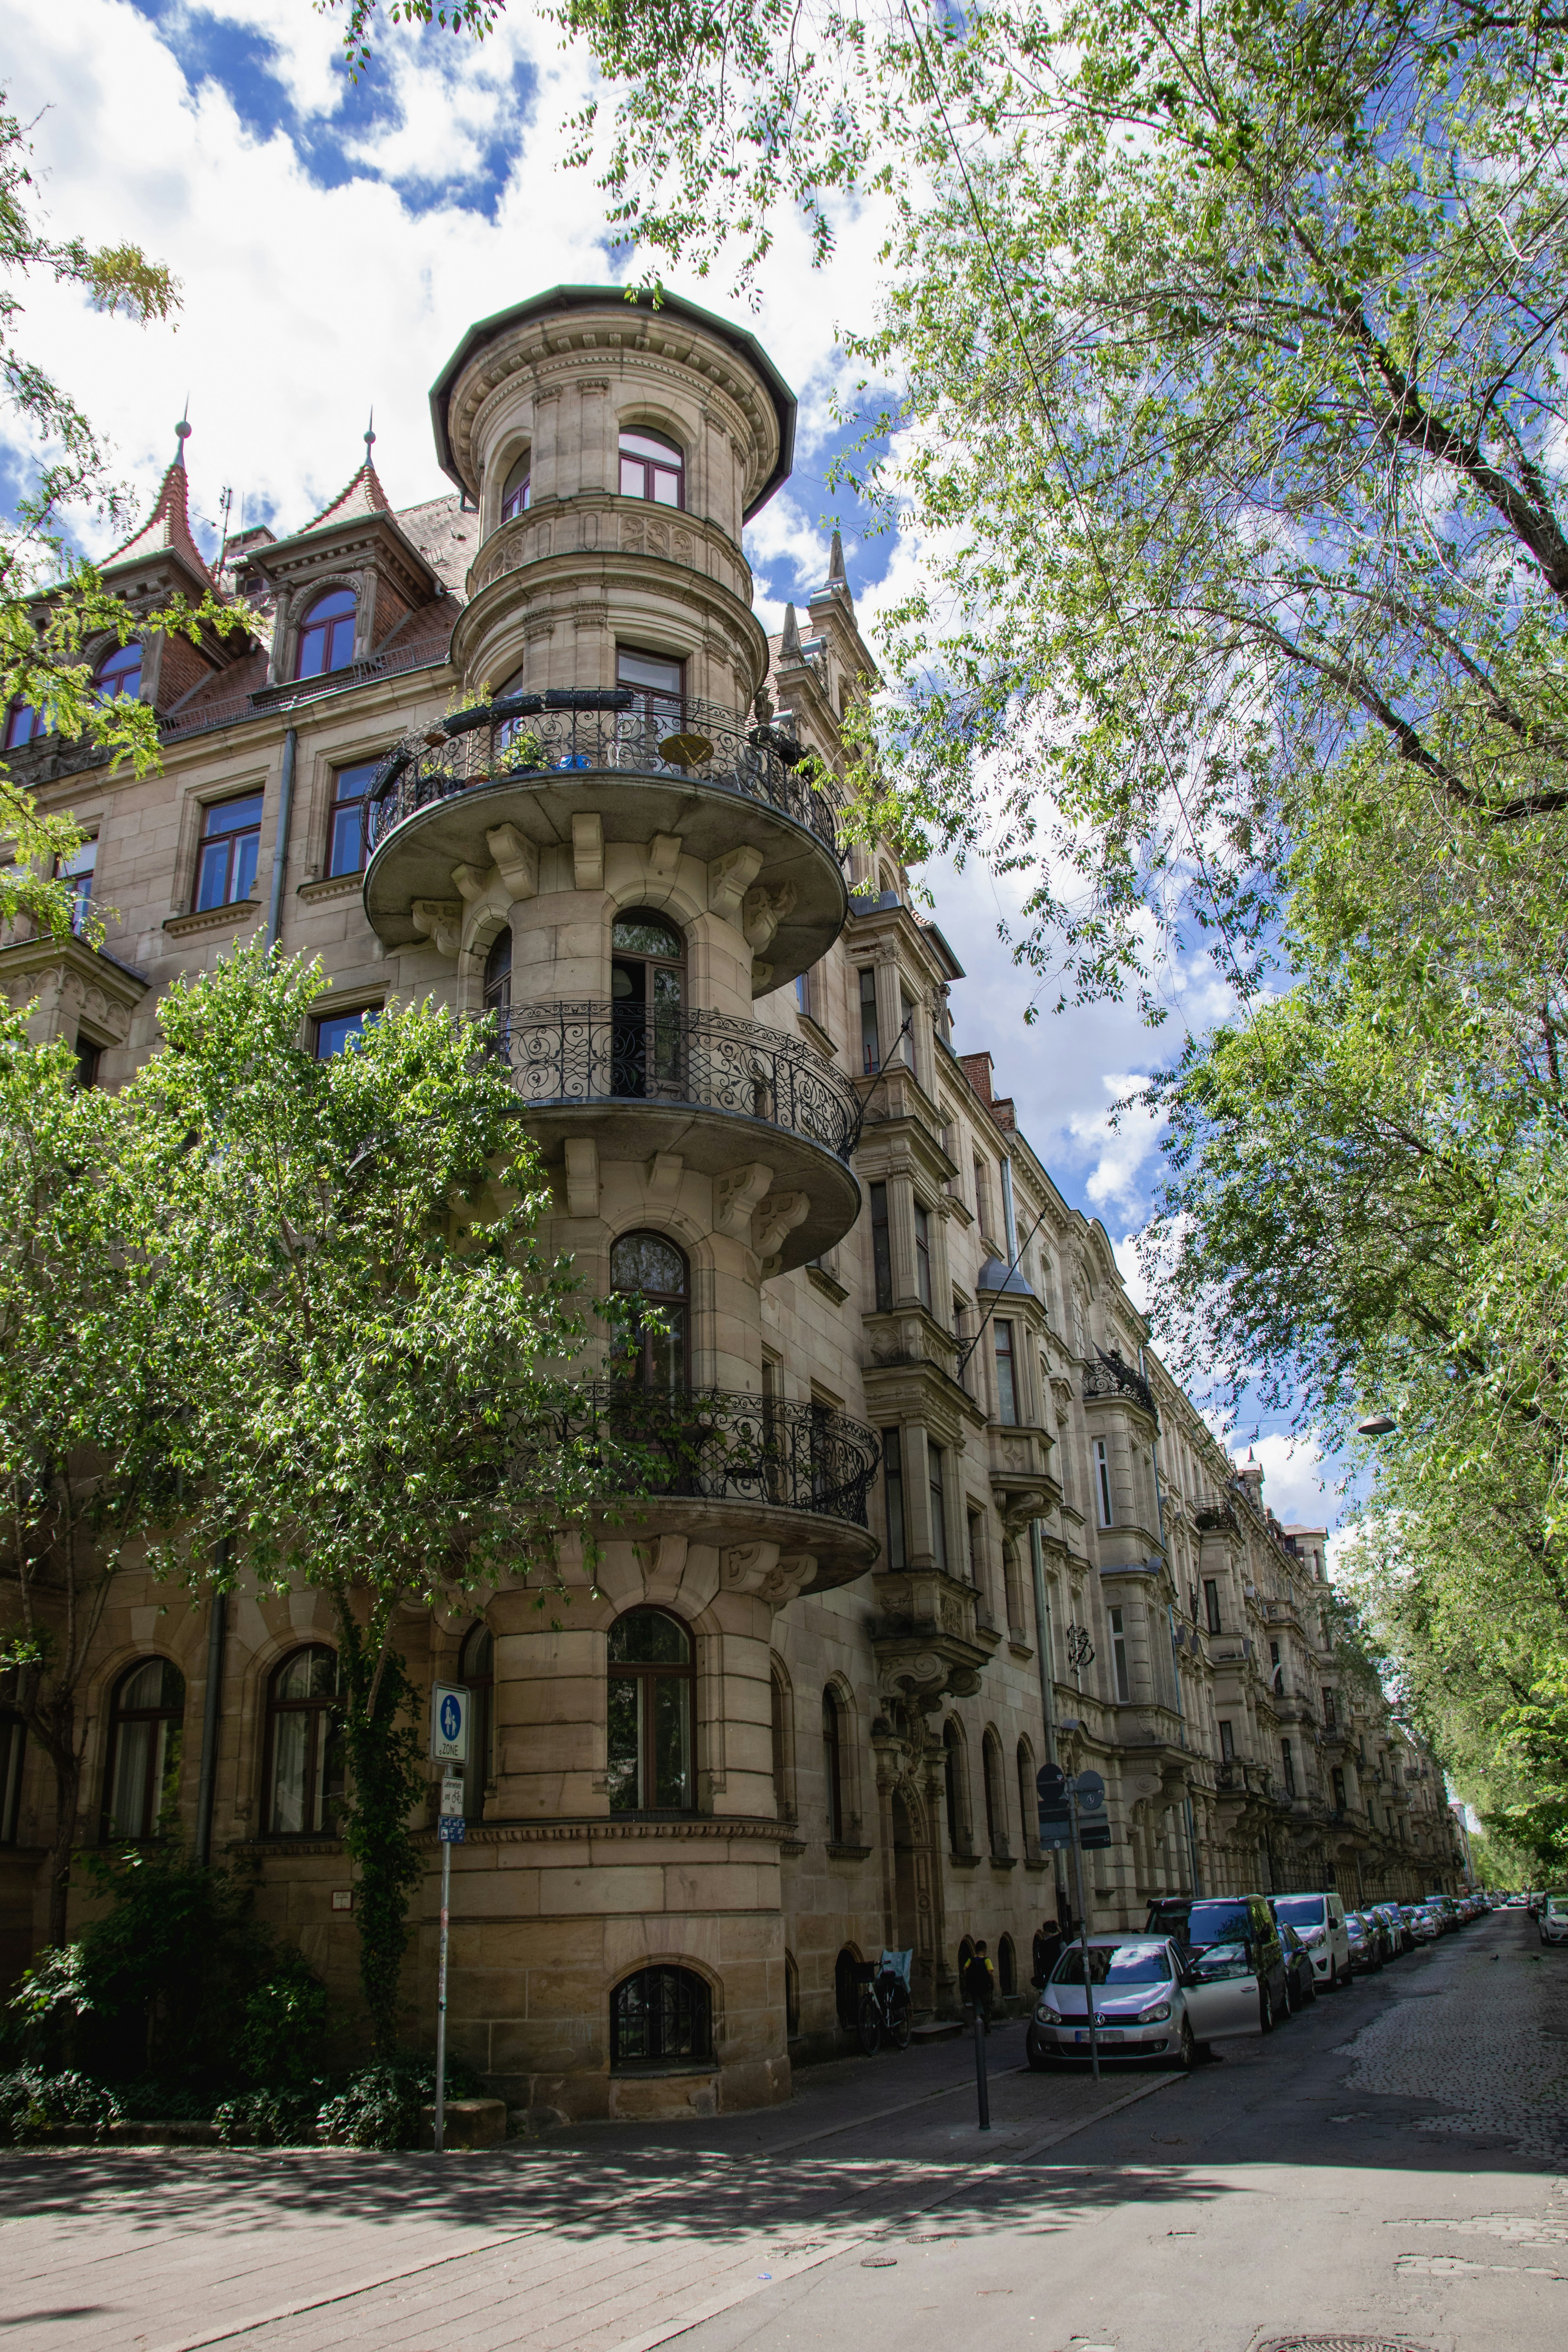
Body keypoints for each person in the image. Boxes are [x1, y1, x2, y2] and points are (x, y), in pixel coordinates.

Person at [962, 1938, 995, 2032]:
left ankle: (978, 2028)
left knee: (977, 2007)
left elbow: (964, 1969)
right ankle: (987, 2027)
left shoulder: (970, 1960)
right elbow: (990, 1973)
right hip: (985, 1988)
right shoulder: (987, 1960)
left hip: (974, 1988)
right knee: (986, 2007)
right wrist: (992, 1984)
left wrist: (967, 1979)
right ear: (984, 1950)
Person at [1032, 1916, 1065, 1989]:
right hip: (1061, 1980)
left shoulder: (1041, 1945)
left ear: (1046, 1931)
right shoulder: (1061, 1943)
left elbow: (1037, 1964)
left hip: (1048, 1981)